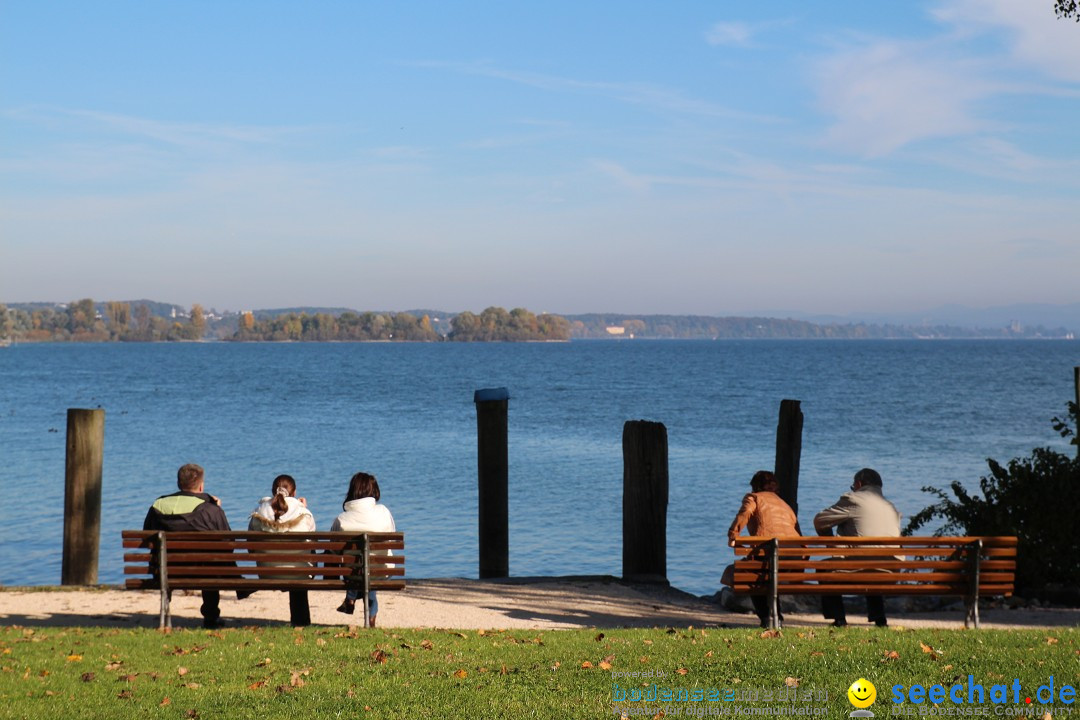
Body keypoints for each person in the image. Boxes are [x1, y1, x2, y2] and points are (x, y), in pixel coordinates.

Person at [143, 463, 232, 629]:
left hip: (165, 569)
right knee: (212, 563)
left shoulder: (158, 505)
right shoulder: (210, 510)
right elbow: (228, 544)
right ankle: (211, 616)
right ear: (201, 486)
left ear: (179, 483)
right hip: (204, 571)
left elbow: (147, 537)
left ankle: (165, 613)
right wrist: (216, 508)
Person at [813, 467, 901, 627]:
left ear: (859, 484)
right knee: (873, 562)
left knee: (822, 567)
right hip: (891, 570)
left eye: (853, 486)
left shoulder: (854, 499)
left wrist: (828, 539)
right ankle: (880, 618)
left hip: (861, 567)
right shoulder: (891, 507)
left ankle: (839, 619)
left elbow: (819, 520)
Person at [727, 470, 802, 627]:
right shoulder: (785, 505)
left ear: (756, 486)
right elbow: (798, 532)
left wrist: (733, 535)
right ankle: (776, 617)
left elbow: (746, 512)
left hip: (771, 552)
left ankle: (767, 618)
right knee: (765, 575)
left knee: (746, 573)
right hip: (794, 556)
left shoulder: (754, 497)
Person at [247, 474, 316, 627]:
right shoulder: (303, 514)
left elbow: (250, 546)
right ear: (295, 493)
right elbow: (312, 543)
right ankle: (301, 622)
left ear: (273, 492)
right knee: (302, 561)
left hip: (268, 572)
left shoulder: (258, 514)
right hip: (300, 573)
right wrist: (304, 507)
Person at [331, 471, 396, 627]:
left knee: (359, 568)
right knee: (369, 572)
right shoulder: (383, 512)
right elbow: (392, 537)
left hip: (352, 573)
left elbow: (333, 548)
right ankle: (370, 617)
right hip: (380, 569)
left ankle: (351, 598)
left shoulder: (342, 519)